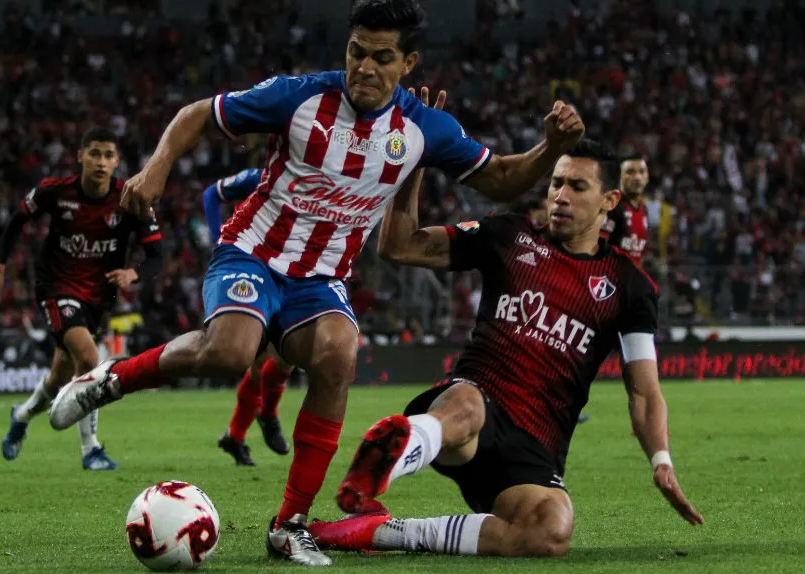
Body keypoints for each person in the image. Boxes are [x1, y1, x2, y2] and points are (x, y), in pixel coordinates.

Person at [48, 0, 584, 565]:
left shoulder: (423, 127)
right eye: (357, 52)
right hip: (253, 253)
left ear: (408, 64)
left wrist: (550, 147)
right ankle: (112, 379)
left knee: (339, 353)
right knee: (230, 354)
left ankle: (290, 525)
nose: (365, 67)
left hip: (320, 278)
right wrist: (156, 168)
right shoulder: (301, 97)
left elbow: (500, 180)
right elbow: (200, 113)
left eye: (382, 57)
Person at [310, 139, 703, 558]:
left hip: (536, 445)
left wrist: (661, 460)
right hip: (474, 406)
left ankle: (379, 532)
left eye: (577, 186)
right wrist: (415, 162)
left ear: (610, 200)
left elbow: (644, 392)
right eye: (556, 183)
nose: (561, 196)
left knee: (549, 532)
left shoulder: (630, 285)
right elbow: (399, 246)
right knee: (466, 407)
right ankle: (392, 454)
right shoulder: (509, 235)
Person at [0, 126, 163, 471]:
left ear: (117, 161)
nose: (101, 162)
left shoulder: (130, 200)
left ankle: (21, 415)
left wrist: (134, 273)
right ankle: (90, 449)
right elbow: (16, 220)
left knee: (59, 378)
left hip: (98, 297)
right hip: (57, 287)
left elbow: (156, 255)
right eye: (94, 153)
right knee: (89, 357)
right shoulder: (56, 192)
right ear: (81, 156)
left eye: (108, 155)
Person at [203, 167, 294, 465]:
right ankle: (260, 418)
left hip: (287, 271)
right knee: (268, 358)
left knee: (283, 356)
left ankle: (238, 433)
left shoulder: (313, 180)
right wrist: (217, 239)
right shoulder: (259, 177)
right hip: (250, 269)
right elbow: (211, 194)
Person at [601, 153, 649, 264]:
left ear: (647, 177)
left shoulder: (644, 209)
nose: (637, 177)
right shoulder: (612, 205)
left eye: (642, 172)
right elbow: (599, 247)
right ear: (619, 176)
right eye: (630, 172)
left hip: (632, 273)